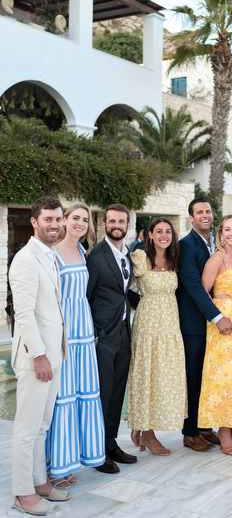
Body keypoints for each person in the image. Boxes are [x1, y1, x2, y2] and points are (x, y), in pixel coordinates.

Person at [9, 196, 70, 516]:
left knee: (43, 425)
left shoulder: (49, 255)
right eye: (48, 219)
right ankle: (22, 493)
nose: (55, 225)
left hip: (54, 354)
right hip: (37, 358)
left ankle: (37, 482)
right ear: (34, 222)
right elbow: (24, 313)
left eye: (58, 219)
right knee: (27, 428)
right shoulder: (25, 259)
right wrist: (40, 356)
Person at [46, 204, 105, 487]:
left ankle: (71, 460)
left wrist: (92, 328)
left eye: (85, 219)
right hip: (63, 332)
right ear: (65, 221)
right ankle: (54, 467)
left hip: (84, 331)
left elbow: (87, 296)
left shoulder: (85, 253)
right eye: (75, 218)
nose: (80, 223)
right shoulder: (52, 253)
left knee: (82, 394)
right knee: (63, 398)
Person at [176, 197, 232, 452]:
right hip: (194, 323)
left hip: (209, 323)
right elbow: (193, 286)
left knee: (206, 377)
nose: (205, 215)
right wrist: (218, 316)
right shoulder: (187, 245)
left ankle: (203, 426)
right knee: (192, 377)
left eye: (208, 211)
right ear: (191, 218)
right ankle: (189, 433)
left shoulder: (215, 244)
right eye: (199, 212)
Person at [127, 218, 187, 455]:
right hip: (149, 326)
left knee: (165, 377)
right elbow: (123, 289)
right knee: (146, 376)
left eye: (168, 231)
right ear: (149, 235)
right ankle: (147, 433)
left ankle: (142, 428)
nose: (164, 235)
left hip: (170, 326)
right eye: (159, 231)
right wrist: (139, 304)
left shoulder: (174, 259)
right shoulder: (140, 258)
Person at [87, 203, 137, 474]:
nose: (117, 225)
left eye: (122, 221)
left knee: (118, 392)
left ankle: (111, 443)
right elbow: (87, 296)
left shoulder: (128, 255)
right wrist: (93, 333)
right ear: (104, 224)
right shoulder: (95, 255)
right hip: (103, 335)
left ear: (127, 225)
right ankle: (97, 452)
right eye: (112, 221)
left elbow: (124, 292)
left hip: (123, 333)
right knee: (103, 393)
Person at [198, 215, 232, 455]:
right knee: (223, 377)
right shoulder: (216, 258)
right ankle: (222, 429)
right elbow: (202, 291)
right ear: (221, 233)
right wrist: (219, 316)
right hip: (224, 323)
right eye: (227, 229)